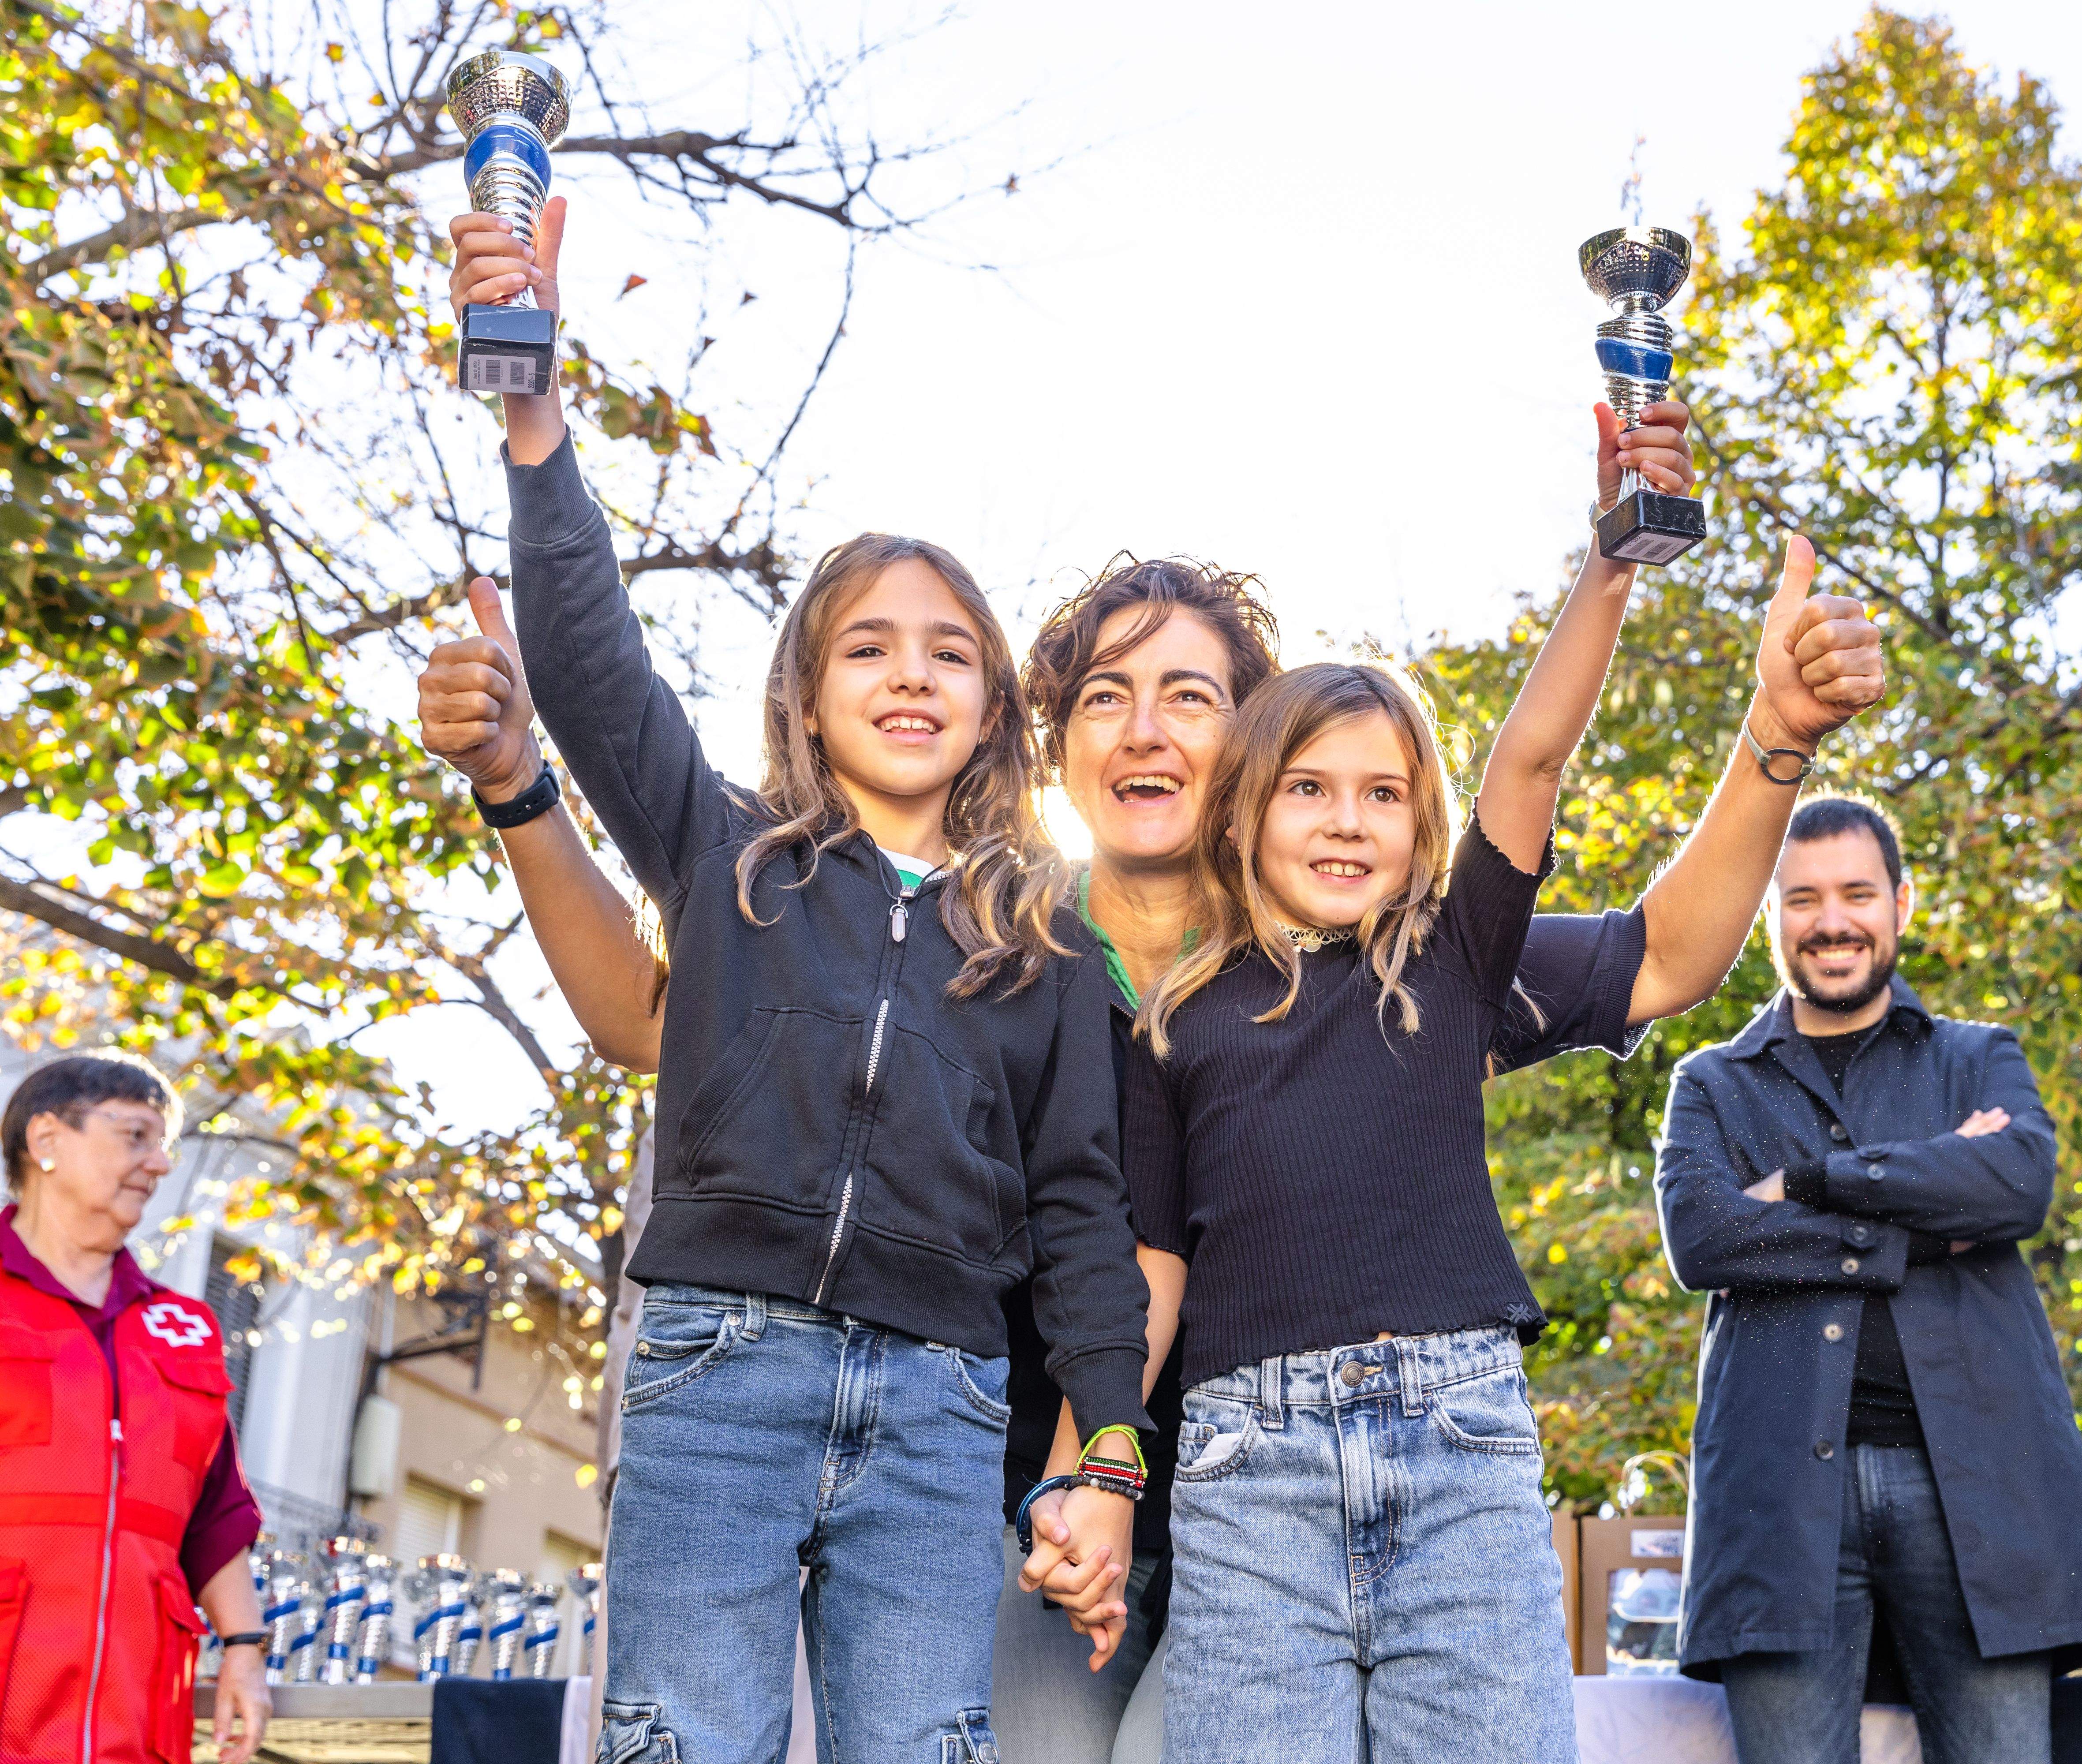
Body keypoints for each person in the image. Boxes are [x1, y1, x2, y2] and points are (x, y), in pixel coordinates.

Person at [429, 205, 1884, 1764]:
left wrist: (1773, 748)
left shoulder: (1373, 959)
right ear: (1048, 740)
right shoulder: (989, 940)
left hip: (1307, 1504)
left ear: (1253, 743)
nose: (1143, 730)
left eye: (1189, 696)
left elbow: (1666, 951)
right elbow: (666, 1016)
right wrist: (523, 793)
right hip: (1036, 1518)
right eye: (1106, 697)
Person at [461, 194, 1155, 1764]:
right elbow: (583, 663)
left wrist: (1105, 1446)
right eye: (869, 648)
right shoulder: (726, 853)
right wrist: (534, 408)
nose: (911, 672)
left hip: (942, 1410)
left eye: (947, 652)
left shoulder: (1042, 935)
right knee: (679, 1740)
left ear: (990, 707)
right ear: (809, 689)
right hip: (722, 1370)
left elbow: (1078, 1209)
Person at [1108, 400, 1882, 1760]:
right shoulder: (1173, 1021)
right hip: (1245, 1480)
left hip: (1457, 1451)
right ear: (1243, 812)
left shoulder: (1454, 961)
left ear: (1424, 830)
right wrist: (1103, 1468)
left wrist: (1632, 582)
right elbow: (1152, 1273)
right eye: (1308, 789)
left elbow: (1542, 772)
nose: (1348, 819)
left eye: (1385, 794)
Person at [1652, 797, 2082, 1764]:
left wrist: (1809, 1181)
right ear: (1771, 915)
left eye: (1858, 893)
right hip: (1777, 1497)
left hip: (1978, 1496)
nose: (1833, 919)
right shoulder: (1712, 1082)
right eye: (1804, 898)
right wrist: (1914, 1218)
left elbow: (2014, 1184)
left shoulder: (1979, 1056)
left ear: (1903, 903)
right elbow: (1705, 1237)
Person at [1, 1052, 273, 1764]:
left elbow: (216, 1513)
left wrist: (245, 1648)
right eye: (134, 1137)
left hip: (136, 1707)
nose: (158, 1164)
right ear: (47, 1141)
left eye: (163, 1145)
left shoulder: (184, 1329)